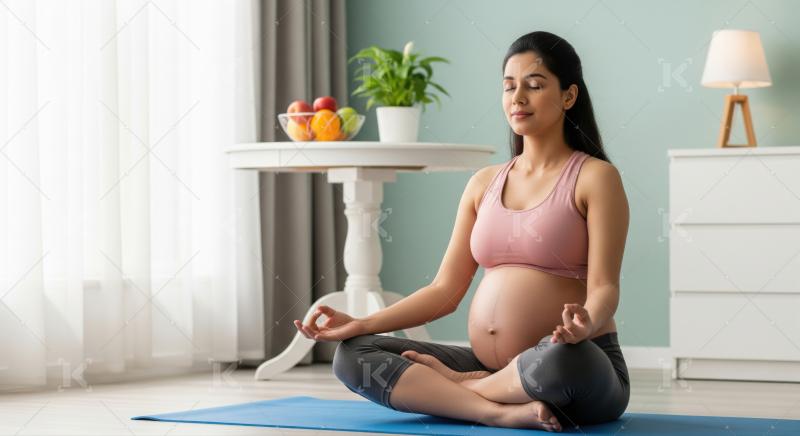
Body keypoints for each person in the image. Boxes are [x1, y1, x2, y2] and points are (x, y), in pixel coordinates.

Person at [294, 30, 630, 432]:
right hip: (494, 365)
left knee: (563, 359)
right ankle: (495, 409)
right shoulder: (483, 183)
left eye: (535, 85)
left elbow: (605, 288)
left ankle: (460, 389)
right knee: (352, 356)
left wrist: (586, 324)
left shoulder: (595, 177)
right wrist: (363, 323)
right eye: (509, 87)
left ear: (568, 96)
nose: (517, 98)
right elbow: (444, 292)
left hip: (573, 364)